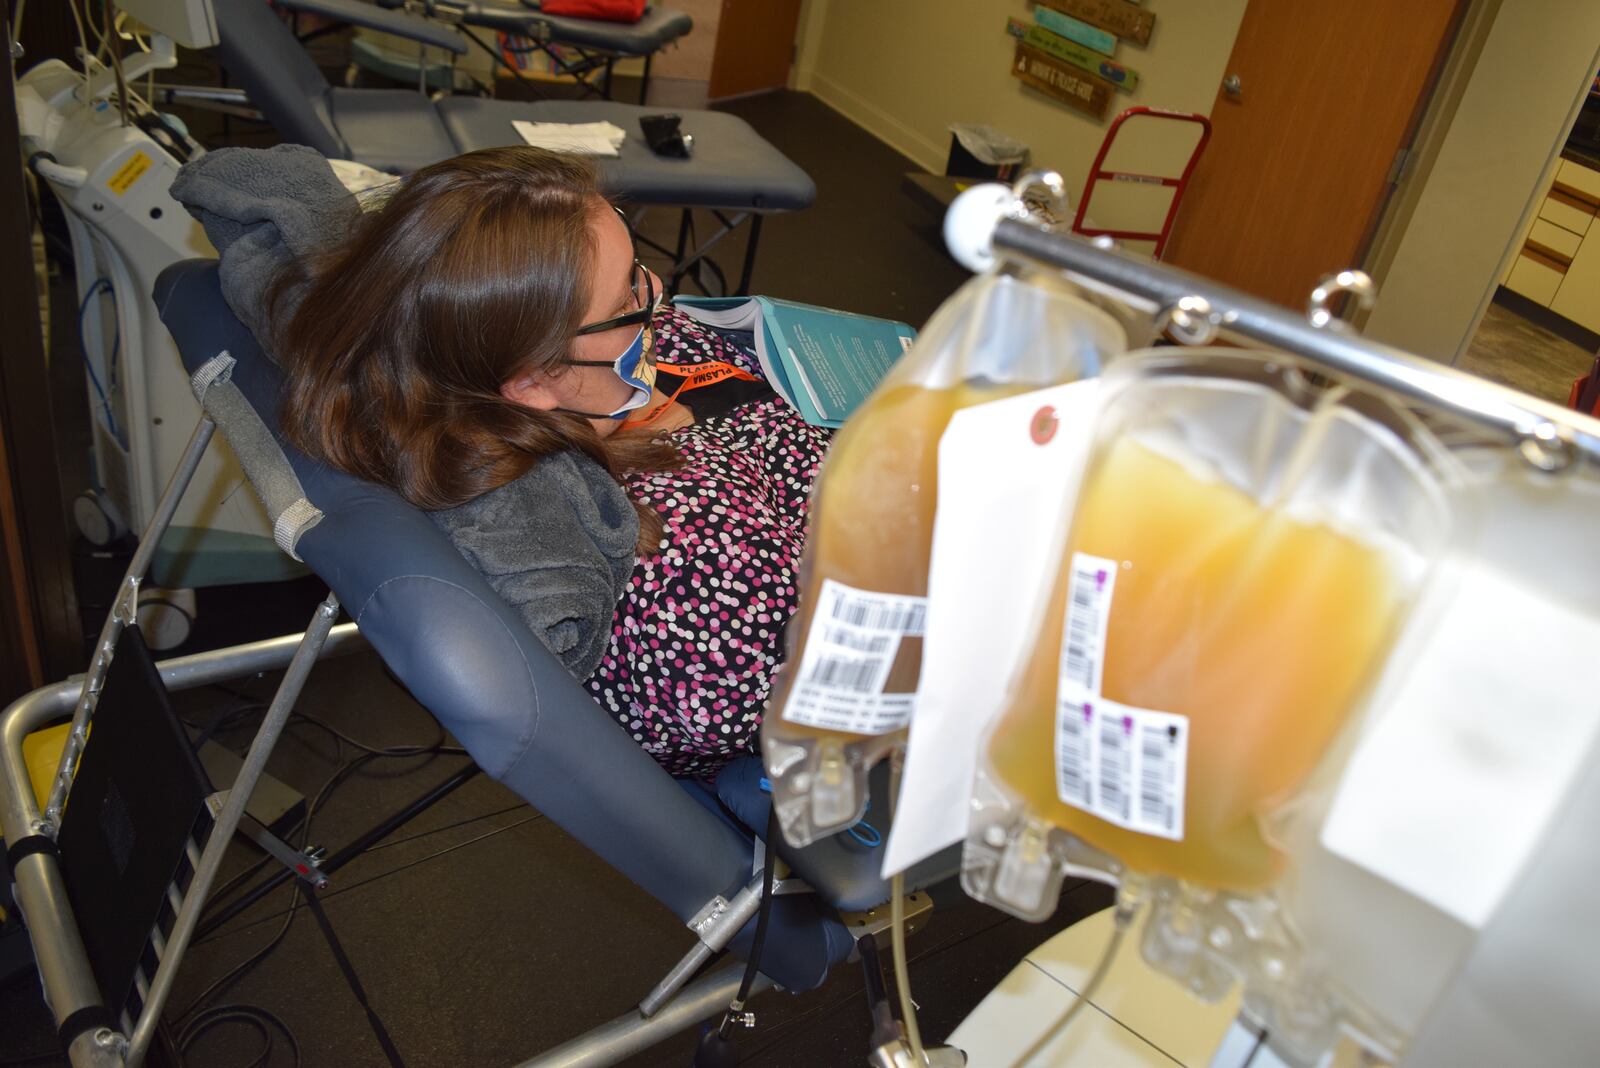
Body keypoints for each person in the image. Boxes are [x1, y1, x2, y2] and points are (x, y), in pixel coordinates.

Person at [275, 146, 830, 778]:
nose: (659, 296)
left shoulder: (512, 364)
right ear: (533, 380)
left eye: (637, 270)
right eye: (629, 296)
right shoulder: (680, 563)